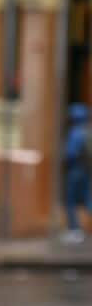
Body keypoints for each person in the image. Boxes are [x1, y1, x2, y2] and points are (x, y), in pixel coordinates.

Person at [62, 103, 91, 244]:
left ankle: (74, 230)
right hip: (86, 170)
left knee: (70, 201)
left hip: (75, 169)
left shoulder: (74, 132)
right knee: (87, 199)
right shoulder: (87, 131)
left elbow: (70, 153)